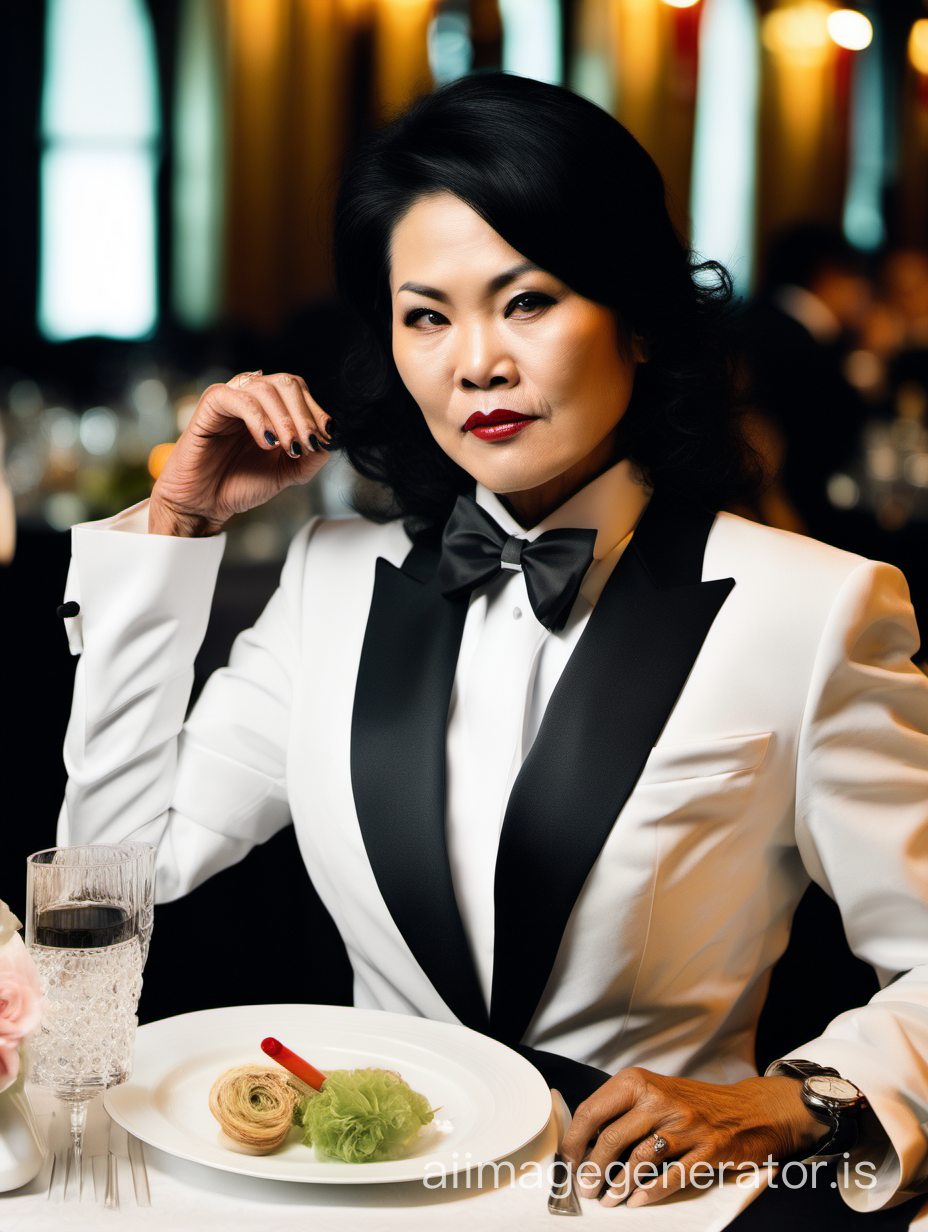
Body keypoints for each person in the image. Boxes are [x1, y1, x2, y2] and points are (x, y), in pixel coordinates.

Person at [57, 74, 928, 1220]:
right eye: (427, 315)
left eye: (526, 301)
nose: (476, 362)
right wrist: (177, 529)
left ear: (639, 315)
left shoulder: (810, 605)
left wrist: (799, 1098)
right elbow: (110, 880)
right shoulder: (330, 582)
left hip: (646, 1204)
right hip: (354, 1194)